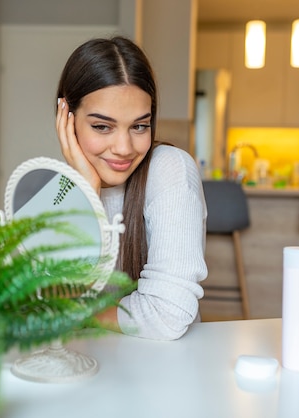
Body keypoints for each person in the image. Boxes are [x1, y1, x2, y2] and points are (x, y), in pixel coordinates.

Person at [55, 36, 207, 340]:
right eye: (102, 126)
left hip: (162, 369)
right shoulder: (60, 188)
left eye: (139, 126)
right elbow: (42, 299)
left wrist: (79, 316)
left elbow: (168, 314)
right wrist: (86, 193)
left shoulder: (170, 169)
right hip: (86, 364)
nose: (124, 148)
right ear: (67, 120)